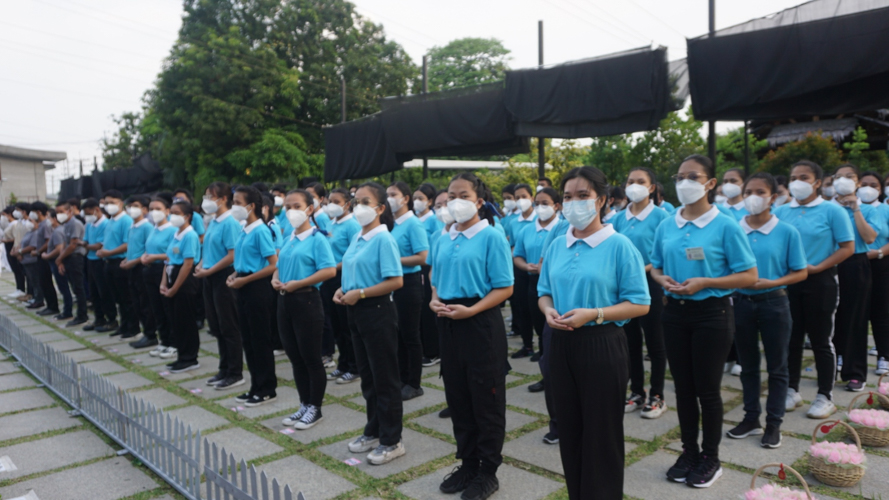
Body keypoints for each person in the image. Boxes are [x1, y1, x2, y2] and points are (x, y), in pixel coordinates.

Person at [537, 166, 649, 500]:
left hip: (601, 345)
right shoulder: (558, 244)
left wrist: (595, 314)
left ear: (601, 200)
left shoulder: (619, 245)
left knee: (602, 436)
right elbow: (544, 291)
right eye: (568, 197)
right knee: (569, 431)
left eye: (583, 196)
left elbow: (640, 303)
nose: (574, 204)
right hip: (560, 344)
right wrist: (547, 310)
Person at [650, 154, 758, 488]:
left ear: (710, 183)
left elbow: (749, 275)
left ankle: (711, 456)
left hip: (711, 313)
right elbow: (654, 265)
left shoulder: (725, 224)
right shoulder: (668, 223)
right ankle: (690, 451)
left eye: (693, 176)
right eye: (680, 176)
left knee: (707, 390)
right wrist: (662, 279)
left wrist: (706, 281)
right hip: (675, 313)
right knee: (682, 388)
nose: (685, 183)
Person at [428, 173, 513, 500]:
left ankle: (488, 470)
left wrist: (472, 310)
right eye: (450, 196)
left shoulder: (491, 236)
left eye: (463, 195)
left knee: (486, 399)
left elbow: (505, 287)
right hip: (448, 320)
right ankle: (468, 462)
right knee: (458, 396)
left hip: (479, 322)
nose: (454, 202)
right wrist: (435, 297)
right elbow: (436, 274)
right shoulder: (443, 236)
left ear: (479, 202)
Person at [725, 172, 807, 449]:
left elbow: (800, 271)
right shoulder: (733, 228)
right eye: (748, 191)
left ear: (773, 197)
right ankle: (751, 418)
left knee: (777, 366)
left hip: (774, 303)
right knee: (748, 365)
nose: (752, 197)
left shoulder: (786, 231)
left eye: (760, 192)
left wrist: (775, 281)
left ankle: (774, 423)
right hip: (742, 303)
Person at [774, 160, 854, 418]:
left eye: (804, 177)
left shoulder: (833, 211)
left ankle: (825, 395)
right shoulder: (782, 211)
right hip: (789, 282)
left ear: (818, 182)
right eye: (793, 176)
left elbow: (847, 247)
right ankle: (791, 389)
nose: (797, 181)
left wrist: (818, 267)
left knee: (821, 340)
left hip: (821, 281)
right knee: (791, 338)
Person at [334, 182, 405, 465]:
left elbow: (395, 281)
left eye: (366, 201)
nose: (359, 207)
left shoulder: (383, 239)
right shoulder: (358, 236)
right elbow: (352, 270)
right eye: (356, 201)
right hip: (356, 312)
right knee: (368, 377)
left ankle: (392, 440)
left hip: (376, 311)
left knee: (385, 378)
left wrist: (360, 293)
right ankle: (373, 430)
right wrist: (343, 289)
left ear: (380, 208)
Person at [274, 189, 337, 429]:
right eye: (288, 206)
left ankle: (315, 407)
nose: (291, 211)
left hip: (307, 300)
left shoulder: (317, 238)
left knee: (311, 357)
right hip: (285, 300)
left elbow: (329, 270)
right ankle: (303, 403)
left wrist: (298, 283)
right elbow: (279, 264)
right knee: (295, 357)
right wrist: (275, 278)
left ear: (310, 209)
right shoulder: (289, 236)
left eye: (297, 206)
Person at [612, 167, 670, 419]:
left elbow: (664, 255)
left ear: (652, 187)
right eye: (630, 181)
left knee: (655, 343)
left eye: (640, 181)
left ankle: (657, 395)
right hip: (623, 289)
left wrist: (639, 269)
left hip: (651, 284)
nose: (634, 186)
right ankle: (636, 391)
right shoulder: (616, 219)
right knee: (630, 341)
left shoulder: (662, 217)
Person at [228, 186, 279, 406]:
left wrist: (245, 279)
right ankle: (255, 386)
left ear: (251, 206)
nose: (234, 207)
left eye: (238, 203)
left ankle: (267, 387)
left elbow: (272, 264)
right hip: (242, 284)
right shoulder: (244, 229)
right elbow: (242, 260)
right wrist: (234, 274)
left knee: (260, 339)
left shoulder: (260, 230)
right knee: (248, 339)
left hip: (257, 288)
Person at [830, 164, 879, 392]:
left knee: (856, 319)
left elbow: (869, 238)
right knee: (830, 320)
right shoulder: (825, 208)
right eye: (839, 177)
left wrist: (855, 208)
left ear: (858, 182)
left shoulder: (867, 209)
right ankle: (831, 366)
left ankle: (855, 372)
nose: (844, 181)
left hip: (855, 264)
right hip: (827, 264)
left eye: (849, 177)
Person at [195, 182, 244, 389]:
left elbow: (232, 254)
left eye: (210, 197)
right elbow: (209, 249)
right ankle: (223, 368)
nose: (206, 201)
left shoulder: (230, 222)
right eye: (205, 197)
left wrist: (210, 269)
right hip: (209, 275)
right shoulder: (213, 221)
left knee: (229, 326)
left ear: (223, 199)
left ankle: (235, 372)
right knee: (216, 325)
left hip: (222, 276)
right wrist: (201, 265)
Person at [386, 181, 430, 401]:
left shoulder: (413, 223)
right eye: (387, 194)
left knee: (410, 334)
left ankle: (414, 383)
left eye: (393, 194)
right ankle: (402, 377)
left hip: (409, 282)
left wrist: (392, 260)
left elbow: (422, 257)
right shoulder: (391, 223)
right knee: (398, 333)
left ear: (406, 198)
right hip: (393, 282)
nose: (389, 198)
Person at [513, 187, 562, 367]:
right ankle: (540, 357)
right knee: (533, 318)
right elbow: (517, 255)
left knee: (551, 324)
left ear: (556, 206)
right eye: (537, 204)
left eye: (545, 203)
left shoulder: (562, 228)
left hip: (555, 283)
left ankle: (551, 358)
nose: (540, 207)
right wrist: (526, 266)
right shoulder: (527, 230)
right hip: (531, 279)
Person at [321, 188, 362, 385]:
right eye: (330, 201)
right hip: (328, 279)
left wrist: (331, 266)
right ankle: (342, 364)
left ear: (347, 204)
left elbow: (353, 255)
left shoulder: (352, 225)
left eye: (336, 201)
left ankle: (354, 366)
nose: (332, 205)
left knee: (346, 326)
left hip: (342, 277)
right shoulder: (330, 224)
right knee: (336, 324)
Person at [160, 200, 202, 373]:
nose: (173, 216)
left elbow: (187, 264)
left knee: (186, 320)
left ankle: (190, 357)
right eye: (172, 212)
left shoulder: (190, 235)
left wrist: (175, 288)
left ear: (187, 216)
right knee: (176, 320)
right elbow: (168, 258)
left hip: (184, 280)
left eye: (177, 213)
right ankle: (181, 355)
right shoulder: (175, 233)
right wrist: (164, 282)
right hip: (172, 275)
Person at [96, 190, 138, 337]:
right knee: (118, 298)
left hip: (119, 262)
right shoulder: (110, 220)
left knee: (126, 298)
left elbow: (127, 244)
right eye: (106, 203)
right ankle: (123, 325)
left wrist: (109, 252)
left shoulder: (125, 220)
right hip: (108, 262)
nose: (109, 206)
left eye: (112, 203)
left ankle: (132, 327)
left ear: (121, 203)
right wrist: (103, 250)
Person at [859, 171, 889, 376]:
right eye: (864, 183)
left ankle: (884, 356)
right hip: (855, 264)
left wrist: (877, 253)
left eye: (874, 185)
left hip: (881, 263)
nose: (868, 188)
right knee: (854, 313)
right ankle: (849, 357)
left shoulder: (886, 210)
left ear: (880, 189)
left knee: (881, 312)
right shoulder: (852, 210)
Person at [140, 198, 178, 357]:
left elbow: (174, 253)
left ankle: (174, 342)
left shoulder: (172, 230)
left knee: (168, 307)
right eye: (151, 208)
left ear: (167, 211)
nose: (154, 212)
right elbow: (148, 248)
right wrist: (144, 256)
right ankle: (163, 341)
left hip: (164, 270)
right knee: (156, 308)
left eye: (158, 208)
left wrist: (154, 256)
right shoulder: (154, 229)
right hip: (150, 270)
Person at [414, 183, 443, 366]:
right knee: (421, 310)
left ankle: (433, 350)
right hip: (420, 267)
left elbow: (438, 239)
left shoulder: (433, 219)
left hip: (427, 264)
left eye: (421, 199)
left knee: (427, 308)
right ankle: (425, 346)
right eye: (415, 198)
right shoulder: (416, 218)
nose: (417, 202)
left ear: (429, 201)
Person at [120, 195, 156, 345]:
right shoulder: (132, 227)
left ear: (144, 209)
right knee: (136, 302)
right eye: (129, 206)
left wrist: (133, 262)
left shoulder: (147, 226)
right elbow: (131, 247)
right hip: (132, 268)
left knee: (145, 302)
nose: (131, 209)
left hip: (141, 267)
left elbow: (147, 250)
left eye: (135, 206)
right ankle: (144, 332)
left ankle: (151, 335)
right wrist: (126, 260)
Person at [510, 183, 538, 359]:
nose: (520, 201)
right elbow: (514, 247)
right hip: (520, 269)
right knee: (522, 308)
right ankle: (527, 345)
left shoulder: (539, 219)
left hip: (539, 272)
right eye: (517, 197)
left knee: (538, 310)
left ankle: (544, 346)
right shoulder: (514, 222)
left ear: (532, 198)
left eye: (524, 196)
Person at [82, 199, 116, 332]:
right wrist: (87, 245)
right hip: (91, 260)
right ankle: (99, 318)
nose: (87, 216)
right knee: (94, 291)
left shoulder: (105, 224)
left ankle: (112, 319)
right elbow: (85, 241)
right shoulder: (90, 224)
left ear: (97, 210)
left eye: (89, 212)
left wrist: (86, 245)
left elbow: (99, 245)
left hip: (101, 260)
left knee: (105, 292)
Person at [55, 201, 88, 326]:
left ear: (70, 211)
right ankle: (77, 313)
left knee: (78, 287)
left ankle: (82, 314)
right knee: (74, 287)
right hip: (68, 258)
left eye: (61, 212)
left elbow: (73, 245)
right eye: (57, 212)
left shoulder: (75, 223)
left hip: (75, 257)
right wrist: (61, 260)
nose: (59, 215)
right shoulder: (66, 224)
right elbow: (65, 244)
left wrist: (59, 258)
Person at [28, 202, 60, 316]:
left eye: (32, 212)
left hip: (46, 256)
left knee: (46, 281)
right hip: (41, 256)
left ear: (38, 212)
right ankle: (49, 305)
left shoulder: (46, 224)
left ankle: (53, 306)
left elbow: (48, 241)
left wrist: (38, 251)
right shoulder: (41, 224)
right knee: (43, 281)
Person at [42, 210, 72, 321]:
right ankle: (67, 310)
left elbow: (59, 248)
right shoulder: (58, 230)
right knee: (63, 287)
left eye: (49, 218)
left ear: (55, 219)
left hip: (57, 261)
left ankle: (67, 311)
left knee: (64, 288)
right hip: (57, 261)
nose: (47, 220)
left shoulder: (58, 231)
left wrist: (47, 255)